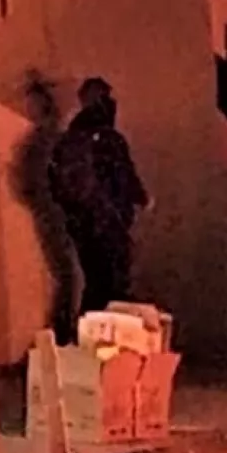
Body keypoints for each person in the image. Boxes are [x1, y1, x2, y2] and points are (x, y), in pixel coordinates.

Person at [47, 77, 151, 318]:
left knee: (94, 281)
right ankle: (107, 340)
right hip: (108, 221)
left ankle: (84, 336)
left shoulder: (70, 139)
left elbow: (54, 183)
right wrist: (141, 198)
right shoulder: (108, 137)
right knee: (114, 282)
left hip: (81, 223)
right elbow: (124, 175)